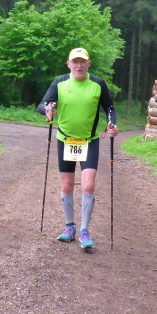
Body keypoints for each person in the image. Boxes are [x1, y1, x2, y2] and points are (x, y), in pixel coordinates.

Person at [37, 47, 118, 250]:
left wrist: (112, 125)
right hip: (65, 140)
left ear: (88, 64)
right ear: (69, 64)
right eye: (75, 61)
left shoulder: (98, 84)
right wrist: (48, 110)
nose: (79, 65)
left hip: (89, 140)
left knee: (88, 186)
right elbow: (42, 105)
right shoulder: (59, 82)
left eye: (82, 61)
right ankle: (70, 227)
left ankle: (84, 231)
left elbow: (109, 108)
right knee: (67, 186)